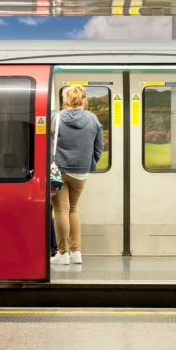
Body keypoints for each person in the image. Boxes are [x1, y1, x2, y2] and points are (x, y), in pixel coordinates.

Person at [51, 85, 104, 265]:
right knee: (73, 209)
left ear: (66, 100)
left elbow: (49, 143)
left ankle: (63, 253)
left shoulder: (57, 118)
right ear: (84, 99)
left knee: (60, 210)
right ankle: (76, 252)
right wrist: (88, 163)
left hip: (58, 170)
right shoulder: (93, 119)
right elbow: (99, 147)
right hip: (80, 172)